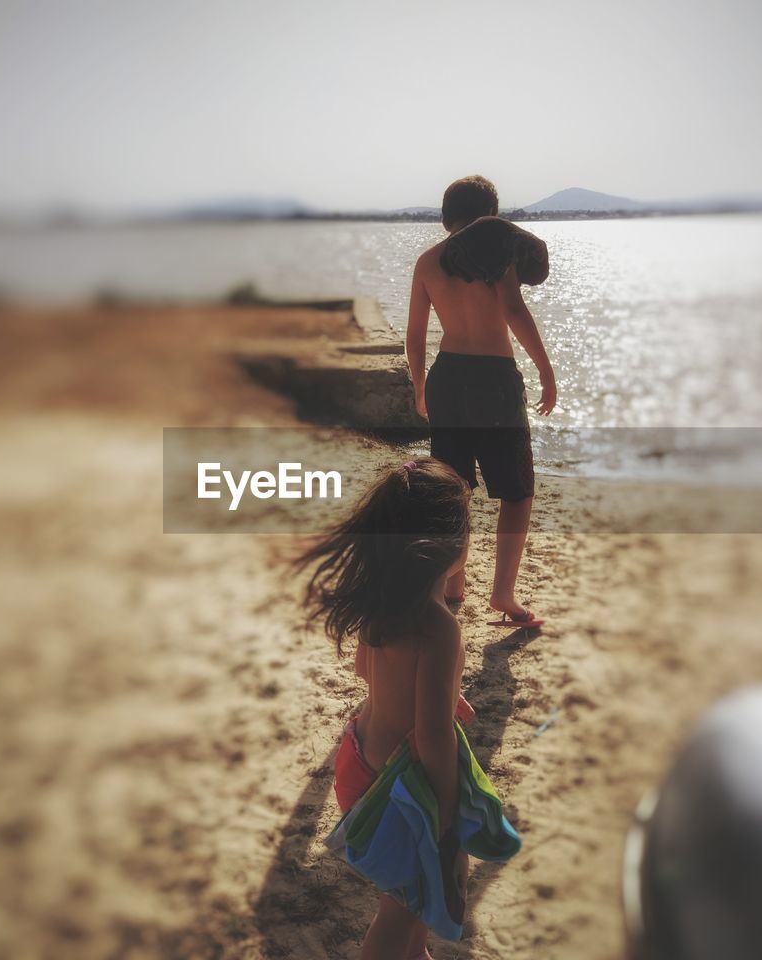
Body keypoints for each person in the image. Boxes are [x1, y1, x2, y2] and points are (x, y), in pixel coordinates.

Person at [297, 458, 519, 959]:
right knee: (401, 915)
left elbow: (364, 670)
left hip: (358, 762)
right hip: (404, 787)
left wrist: (430, 690)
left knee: (411, 898)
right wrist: (444, 816)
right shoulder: (438, 627)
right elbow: (434, 735)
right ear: (452, 544)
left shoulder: (385, 603)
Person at [405, 175, 556, 628]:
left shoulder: (427, 261)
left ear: (447, 216)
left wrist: (418, 387)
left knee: (455, 488)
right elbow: (512, 309)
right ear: (490, 212)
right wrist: (546, 372)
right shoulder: (497, 250)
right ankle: (503, 594)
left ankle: (453, 582)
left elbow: (414, 337)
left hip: (447, 378)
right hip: (493, 380)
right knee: (517, 491)